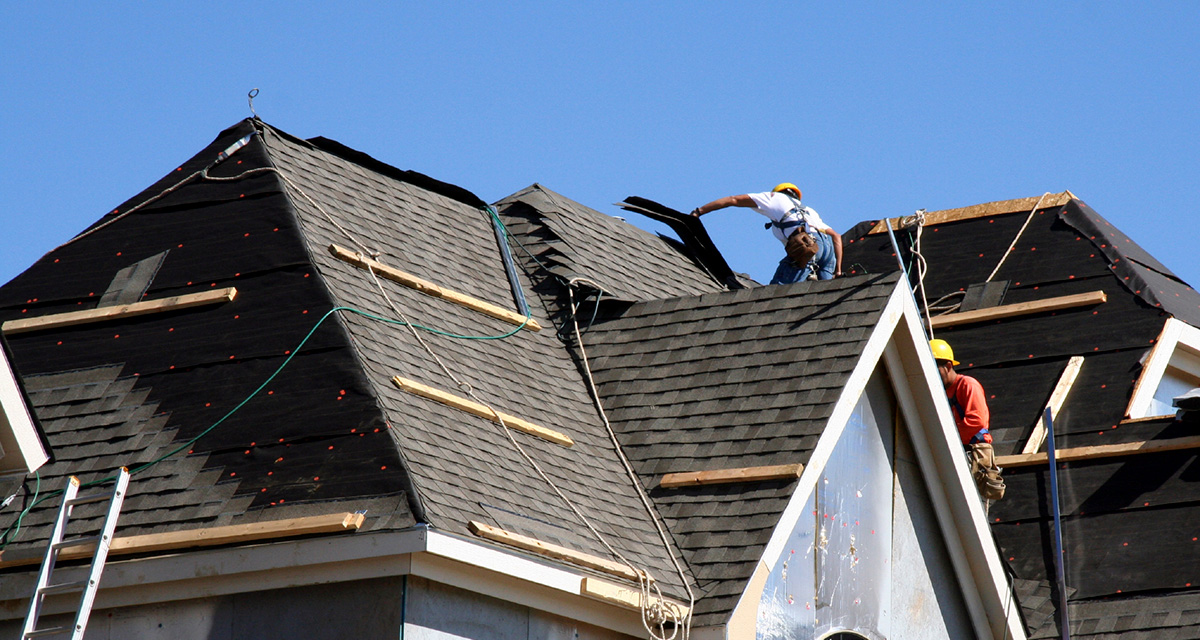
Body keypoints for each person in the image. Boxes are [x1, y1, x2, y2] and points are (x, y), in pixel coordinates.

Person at [691, 183, 842, 285]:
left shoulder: (774, 198)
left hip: (809, 247)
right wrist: (838, 271)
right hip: (827, 251)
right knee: (824, 292)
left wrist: (699, 212)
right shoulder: (809, 211)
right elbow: (836, 236)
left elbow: (733, 200)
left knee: (779, 290)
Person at [931, 338, 1004, 501]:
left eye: (935, 369)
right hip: (957, 450)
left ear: (948, 366)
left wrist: (945, 435)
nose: (932, 376)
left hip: (974, 453)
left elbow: (976, 422)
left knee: (971, 501)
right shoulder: (940, 392)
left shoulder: (967, 385)